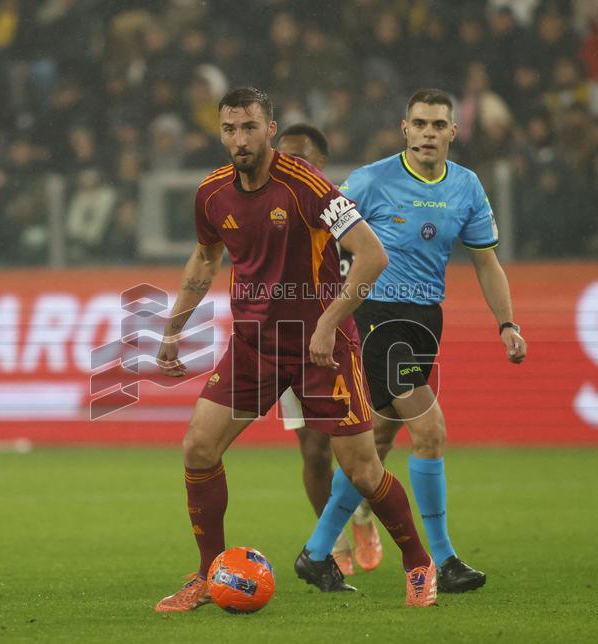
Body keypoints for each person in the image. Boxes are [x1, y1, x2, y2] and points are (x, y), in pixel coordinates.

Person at [154, 87, 438, 611]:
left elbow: (372, 255)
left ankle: (419, 564)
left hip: (318, 348)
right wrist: (173, 329)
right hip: (255, 344)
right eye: (230, 129)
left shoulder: (307, 185)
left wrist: (329, 323)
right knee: (198, 448)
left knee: (362, 470)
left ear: (270, 130)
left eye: (249, 128)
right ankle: (208, 574)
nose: (239, 139)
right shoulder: (212, 193)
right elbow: (205, 259)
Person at [300, 88, 527, 594]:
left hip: (423, 322)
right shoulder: (371, 180)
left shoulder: (466, 186)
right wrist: (323, 304)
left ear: (453, 132)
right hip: (375, 319)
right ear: (405, 129)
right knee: (429, 429)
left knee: (376, 443)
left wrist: (507, 324)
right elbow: (318, 232)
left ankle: (315, 553)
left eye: (437, 125)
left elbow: (486, 261)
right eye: (419, 124)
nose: (428, 133)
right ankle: (444, 560)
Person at [274, 123, 383, 577]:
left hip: (342, 342)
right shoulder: (272, 215)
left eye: (301, 159)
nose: (291, 167)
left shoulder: (343, 212)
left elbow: (372, 267)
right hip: (290, 342)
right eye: (284, 159)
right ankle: (332, 540)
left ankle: (362, 514)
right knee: (313, 451)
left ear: (321, 166)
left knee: (354, 452)